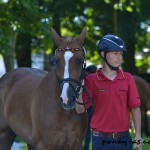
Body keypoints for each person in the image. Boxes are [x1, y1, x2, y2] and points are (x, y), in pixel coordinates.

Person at [76, 34, 143, 150]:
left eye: (121, 54)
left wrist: (138, 135)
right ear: (103, 54)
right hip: (100, 140)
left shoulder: (128, 78)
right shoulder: (91, 80)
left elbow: (135, 107)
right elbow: (80, 110)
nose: (119, 58)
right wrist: (79, 90)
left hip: (124, 139)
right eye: (115, 53)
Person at [83, 65, 97, 150]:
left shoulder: (86, 79)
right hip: (93, 106)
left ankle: (86, 147)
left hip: (87, 106)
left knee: (87, 129)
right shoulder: (95, 79)